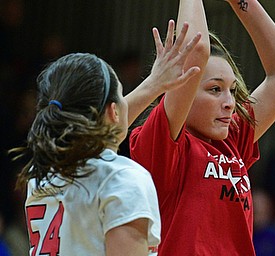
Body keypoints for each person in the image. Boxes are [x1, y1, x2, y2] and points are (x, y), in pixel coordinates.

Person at [10, 20, 202, 256]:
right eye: (122, 94)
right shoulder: (121, 178)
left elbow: (103, 130)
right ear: (113, 111)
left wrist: (154, 84)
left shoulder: (42, 177)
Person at [129, 0, 275, 255]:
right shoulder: (160, 144)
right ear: (181, 87)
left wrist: (243, 3)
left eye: (232, 91)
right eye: (215, 89)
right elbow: (196, 49)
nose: (230, 103)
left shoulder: (232, 139)